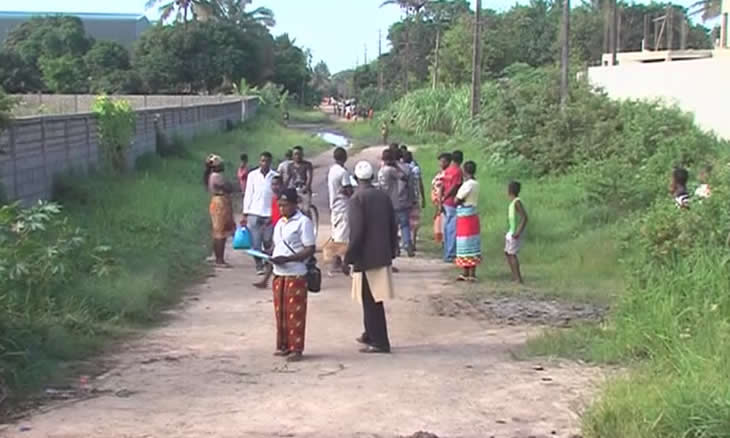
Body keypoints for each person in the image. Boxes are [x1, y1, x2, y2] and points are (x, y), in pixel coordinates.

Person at [345, 161, 398, 354]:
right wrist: (392, 249)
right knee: (370, 297)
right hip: (382, 253)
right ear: (372, 178)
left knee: (370, 299)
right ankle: (369, 333)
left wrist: (348, 257)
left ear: (356, 179)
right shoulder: (383, 197)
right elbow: (393, 225)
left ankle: (380, 341)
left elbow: (357, 232)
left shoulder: (357, 199)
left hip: (366, 257)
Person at [270, 188, 316, 362]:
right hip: (279, 273)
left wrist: (289, 259)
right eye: (279, 205)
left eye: (285, 205)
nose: (282, 209)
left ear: (294, 204)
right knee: (280, 312)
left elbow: (309, 249)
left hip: (296, 273)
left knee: (294, 312)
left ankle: (296, 348)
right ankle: (283, 345)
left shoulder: (303, 222)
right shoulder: (280, 223)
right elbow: (276, 246)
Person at [243, 152, 279, 275]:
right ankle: (259, 265)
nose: (264, 163)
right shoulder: (252, 175)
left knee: (268, 240)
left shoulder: (275, 176)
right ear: (259, 162)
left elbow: (277, 195)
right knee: (255, 242)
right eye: (262, 161)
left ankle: (268, 262)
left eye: (267, 161)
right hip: (254, 211)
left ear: (270, 162)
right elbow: (248, 194)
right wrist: (245, 212)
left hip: (269, 213)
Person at [379, 148, 414, 257]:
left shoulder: (381, 170)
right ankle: (407, 244)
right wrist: (397, 166)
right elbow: (404, 177)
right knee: (404, 225)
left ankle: (395, 248)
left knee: (392, 227)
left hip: (387, 202)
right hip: (398, 201)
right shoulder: (393, 170)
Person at [324, 147, 354, 276]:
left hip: (334, 206)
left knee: (336, 234)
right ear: (345, 157)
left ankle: (336, 262)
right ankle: (343, 262)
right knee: (343, 236)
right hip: (342, 206)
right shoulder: (343, 172)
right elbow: (348, 191)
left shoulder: (332, 170)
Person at [205, 154, 236, 267]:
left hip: (217, 201)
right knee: (221, 233)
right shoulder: (217, 176)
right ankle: (219, 259)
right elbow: (229, 188)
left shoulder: (211, 175)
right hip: (220, 202)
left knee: (217, 231)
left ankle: (216, 256)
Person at [253, 175, 283, 289]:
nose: (275, 187)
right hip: (276, 229)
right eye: (273, 184)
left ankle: (265, 281)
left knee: (274, 255)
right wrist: (268, 222)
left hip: (283, 231)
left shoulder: (282, 199)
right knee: (274, 256)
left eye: (277, 184)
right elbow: (275, 214)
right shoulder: (274, 198)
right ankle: (265, 280)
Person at [454, 161, 481, 281]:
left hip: (465, 215)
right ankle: (471, 272)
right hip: (472, 214)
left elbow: (457, 200)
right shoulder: (476, 183)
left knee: (464, 243)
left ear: (465, 171)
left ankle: (466, 272)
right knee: (472, 243)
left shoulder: (467, 185)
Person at [441, 150, 464, 262]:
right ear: (461, 160)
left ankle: (446, 252)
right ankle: (451, 254)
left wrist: (441, 198)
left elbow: (442, 186)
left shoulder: (447, 170)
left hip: (445, 203)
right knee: (452, 229)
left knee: (446, 227)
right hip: (452, 202)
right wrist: (446, 196)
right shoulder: (458, 171)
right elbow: (455, 186)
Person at [505, 181, 528, 284]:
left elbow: (524, 217)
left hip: (515, 232)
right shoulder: (513, 202)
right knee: (507, 253)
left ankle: (518, 278)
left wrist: (518, 231)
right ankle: (515, 277)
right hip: (511, 231)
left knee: (512, 254)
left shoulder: (517, 202)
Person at [403, 151, 426, 251]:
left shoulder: (402, 169)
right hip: (415, 198)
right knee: (414, 221)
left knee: (404, 221)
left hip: (404, 199)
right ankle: (413, 241)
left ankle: (406, 242)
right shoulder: (416, 169)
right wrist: (423, 197)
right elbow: (420, 183)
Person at [431, 153, 451, 245]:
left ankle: (445, 242)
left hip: (443, 202)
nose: (440, 163)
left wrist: (440, 203)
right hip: (437, 201)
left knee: (443, 222)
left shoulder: (446, 175)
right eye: (440, 161)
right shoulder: (440, 173)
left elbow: (441, 189)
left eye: (443, 161)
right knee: (440, 221)